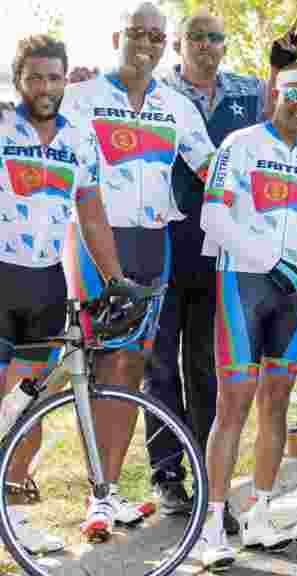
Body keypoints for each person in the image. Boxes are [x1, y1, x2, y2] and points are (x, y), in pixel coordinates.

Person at [194, 62, 297, 569]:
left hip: (295, 291)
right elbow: (213, 215)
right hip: (242, 283)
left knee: (277, 402)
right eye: (294, 94)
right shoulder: (241, 145)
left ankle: (262, 512)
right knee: (234, 405)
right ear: (276, 94)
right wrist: (267, 259)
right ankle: (212, 525)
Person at [58, 1, 217, 540]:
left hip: (154, 241)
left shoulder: (176, 105)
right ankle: (93, 492)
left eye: (155, 35)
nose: (145, 44)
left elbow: (211, 168)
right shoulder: (80, 97)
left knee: (131, 366)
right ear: (115, 38)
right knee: (94, 365)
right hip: (94, 238)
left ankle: (106, 494)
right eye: (136, 34)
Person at [144, 8, 288, 531]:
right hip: (163, 244)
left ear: (224, 46)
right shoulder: (155, 91)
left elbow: (285, 117)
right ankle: (167, 478)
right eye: (196, 37)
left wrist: (282, 70)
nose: (206, 45)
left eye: (215, 38)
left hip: (223, 250)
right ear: (179, 45)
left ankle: (210, 479)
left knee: (207, 367)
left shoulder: (248, 92)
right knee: (159, 366)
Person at [1, 33, 134, 552]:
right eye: (34, 77)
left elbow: (93, 214)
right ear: (19, 80)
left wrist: (116, 277)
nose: (45, 87)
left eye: (54, 77)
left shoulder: (80, 140)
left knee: (28, 407)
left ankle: (12, 515)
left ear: (65, 79)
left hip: (44, 282)